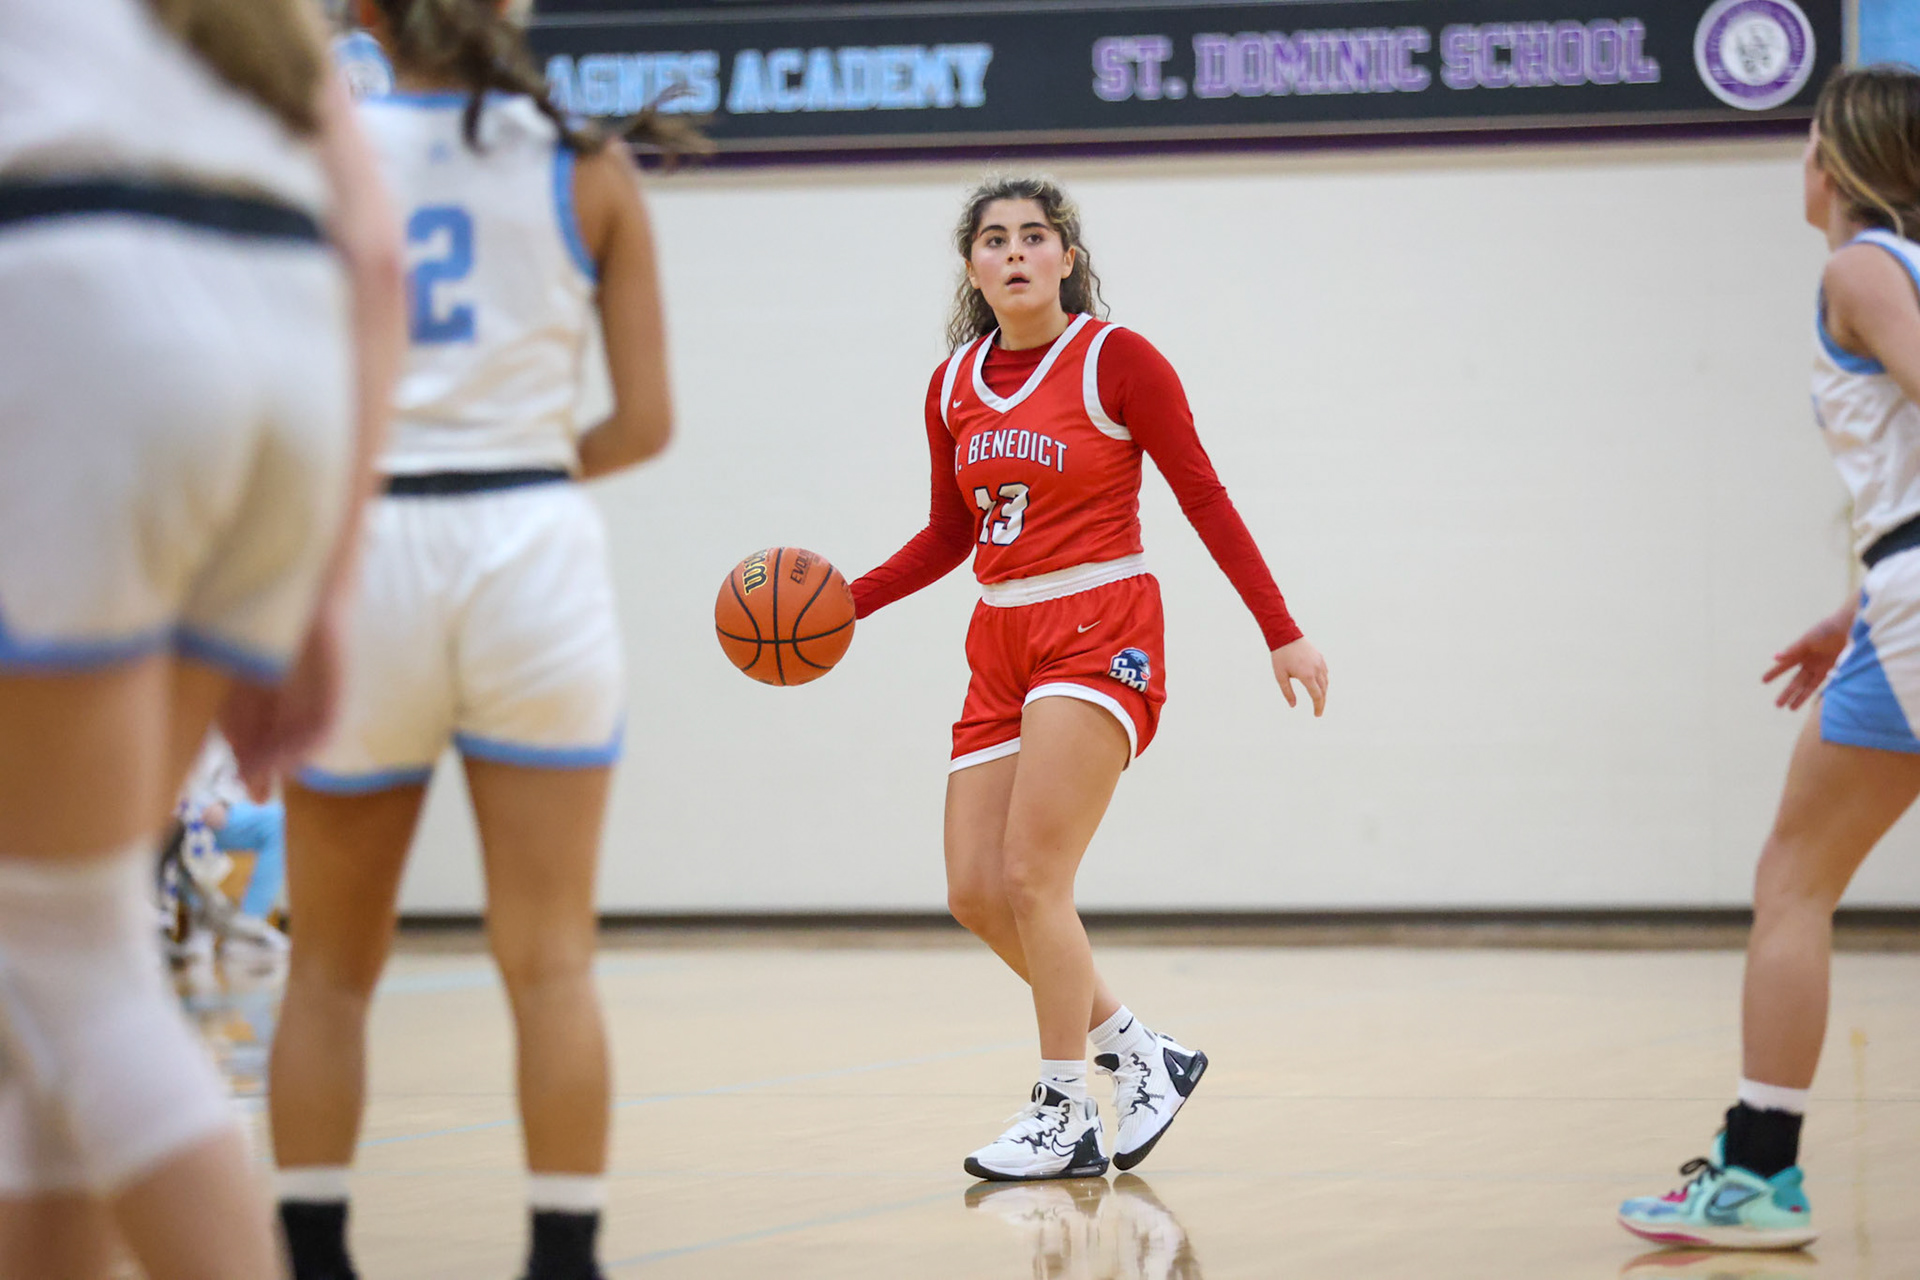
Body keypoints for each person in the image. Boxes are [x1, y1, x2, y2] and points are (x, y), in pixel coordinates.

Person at [265, 3, 677, 1278]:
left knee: (328, 968)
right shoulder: (587, 163)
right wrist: (520, 469)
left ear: (366, 16)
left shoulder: (314, 150)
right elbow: (646, 422)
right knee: (550, 960)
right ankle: (564, 1255)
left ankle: (315, 1252)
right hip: (528, 544)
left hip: (371, 542)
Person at [0, 0, 403, 1275]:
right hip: (285, 344)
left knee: (68, 952)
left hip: (79, 302)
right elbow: (377, 256)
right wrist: (325, 583)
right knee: (51, 962)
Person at [851, 175, 1328, 1181]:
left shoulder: (1117, 359)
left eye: (1035, 236)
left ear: (1067, 259)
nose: (1015, 253)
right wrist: (848, 602)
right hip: (1000, 636)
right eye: (994, 239)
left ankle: (1064, 1109)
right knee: (976, 890)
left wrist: (1280, 630)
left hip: (1101, 622)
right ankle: (1141, 1052)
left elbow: (1203, 496)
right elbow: (948, 534)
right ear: (972, 267)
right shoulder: (951, 385)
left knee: (1034, 875)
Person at [1619, 65, 1920, 1251]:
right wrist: (1853, 610)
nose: (1799, 161)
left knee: (1793, 881)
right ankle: (1755, 1168)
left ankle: (1758, 1177)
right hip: (1893, 597)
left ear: (1839, 163)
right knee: (1794, 871)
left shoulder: (1862, 266)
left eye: (1808, 143)